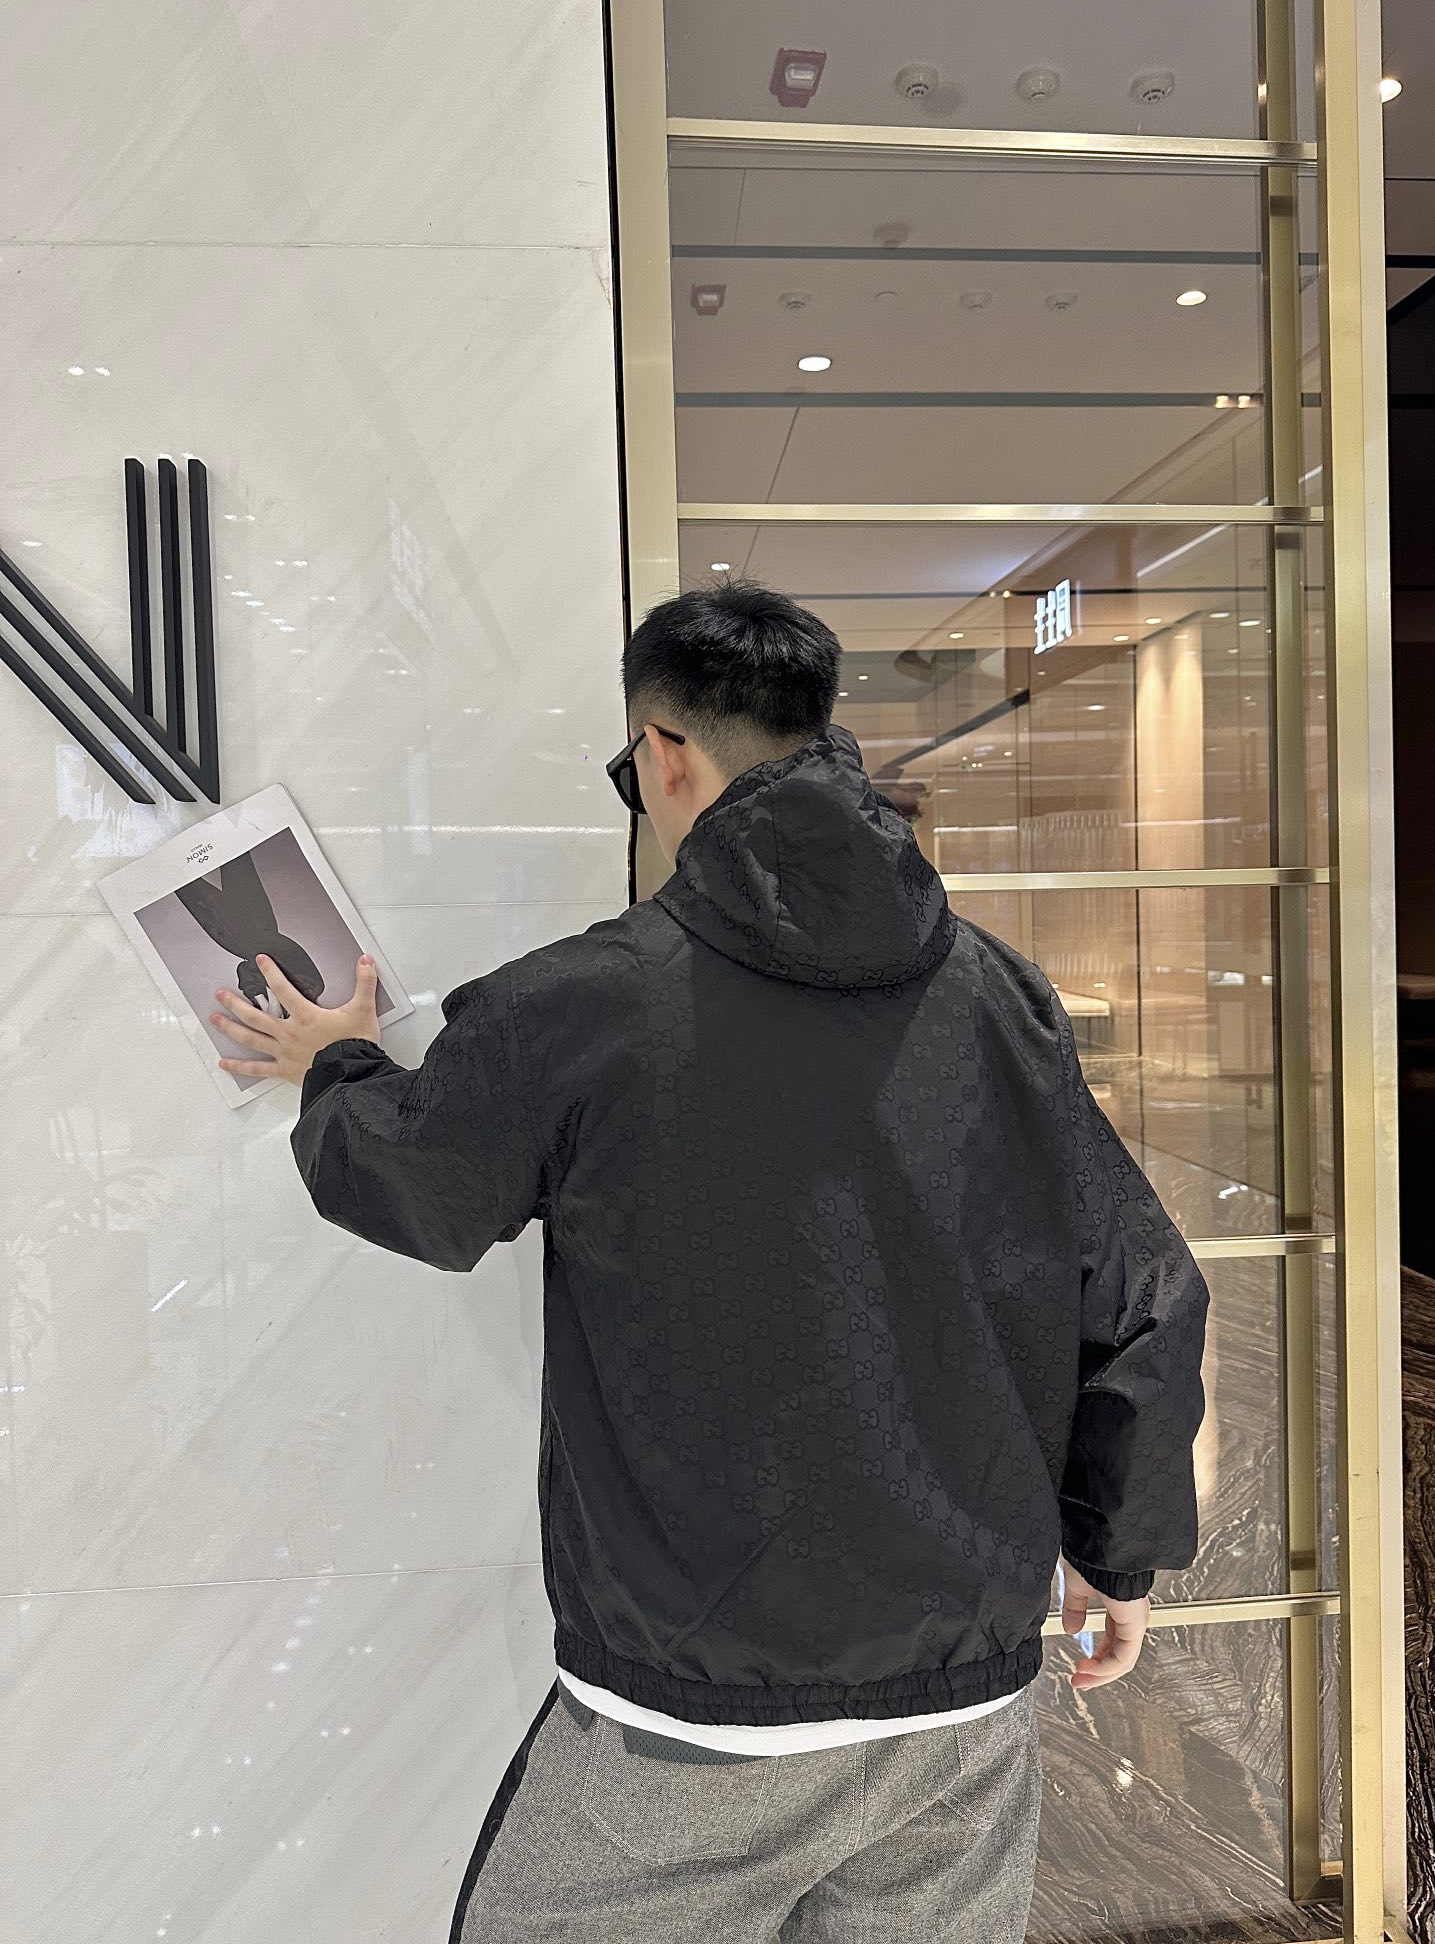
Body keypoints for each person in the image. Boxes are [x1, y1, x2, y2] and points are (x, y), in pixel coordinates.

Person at [208, 582, 1210, 1944]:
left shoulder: (591, 1001)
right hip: (961, 1699)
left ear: (663, 754)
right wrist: (1117, 1562)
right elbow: (1147, 1293)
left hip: (695, 1711)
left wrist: (334, 1065)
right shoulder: (999, 997)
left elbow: (421, 1185)